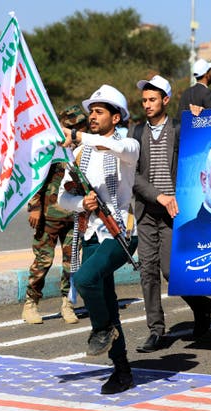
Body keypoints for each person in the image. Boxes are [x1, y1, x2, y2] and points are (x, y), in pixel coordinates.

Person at [58, 84, 139, 394]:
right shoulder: (81, 153)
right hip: (90, 232)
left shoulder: (127, 146)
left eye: (99, 111)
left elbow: (124, 150)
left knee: (85, 279)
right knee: (106, 301)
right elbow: (62, 198)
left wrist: (80, 137)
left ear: (115, 118)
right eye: (90, 111)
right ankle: (122, 371)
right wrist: (82, 204)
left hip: (120, 233)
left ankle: (101, 329)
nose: (92, 116)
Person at [132, 75, 211, 353]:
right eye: (144, 100)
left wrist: (201, 117)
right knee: (147, 273)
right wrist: (158, 196)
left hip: (175, 213)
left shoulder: (180, 129)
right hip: (146, 211)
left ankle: (202, 304)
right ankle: (155, 329)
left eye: (152, 99)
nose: (147, 104)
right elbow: (132, 174)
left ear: (166, 100)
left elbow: (205, 144)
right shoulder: (135, 133)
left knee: (171, 272)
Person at [21, 105, 87, 325]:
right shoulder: (50, 148)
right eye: (70, 126)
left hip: (75, 216)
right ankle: (30, 303)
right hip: (49, 214)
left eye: (79, 126)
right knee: (43, 261)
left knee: (72, 263)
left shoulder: (86, 147)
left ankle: (67, 304)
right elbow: (35, 178)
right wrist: (35, 206)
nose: (75, 130)